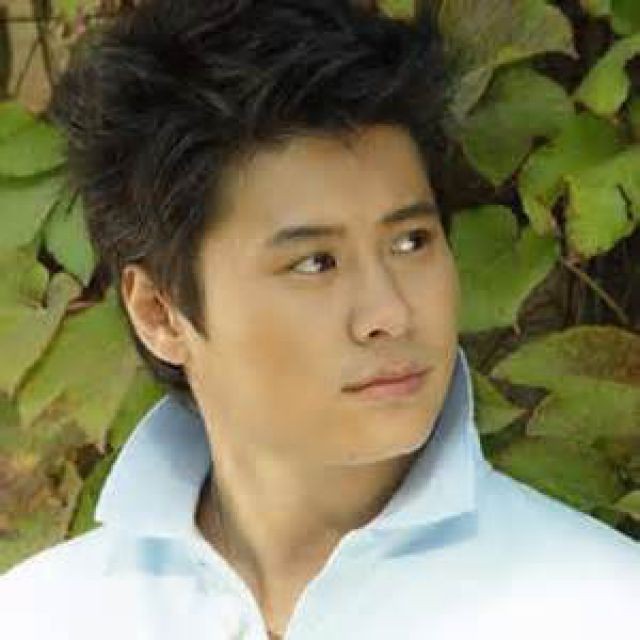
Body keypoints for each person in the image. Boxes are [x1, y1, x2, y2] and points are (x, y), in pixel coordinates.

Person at [1, 1, 638, 638]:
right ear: (159, 313)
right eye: (315, 263)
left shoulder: (600, 607)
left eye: (411, 242)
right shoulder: (44, 616)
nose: (389, 313)